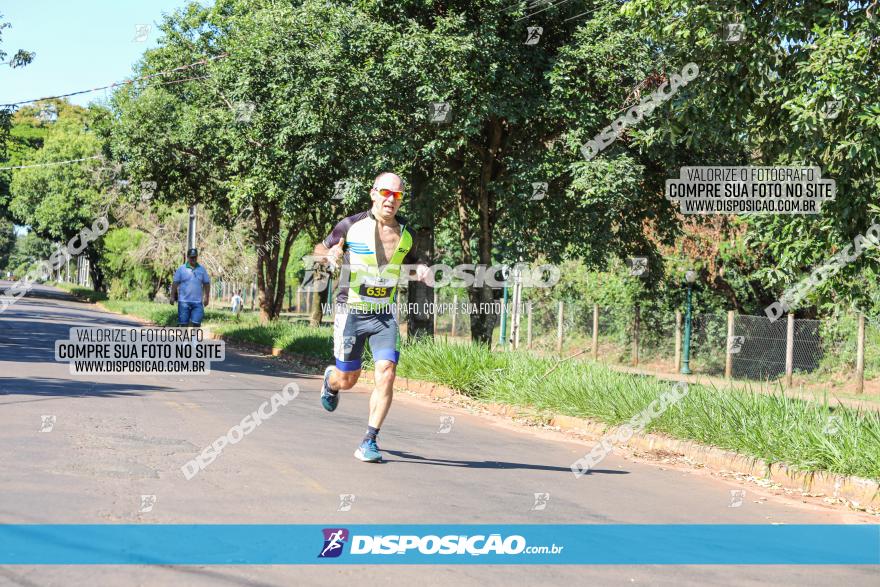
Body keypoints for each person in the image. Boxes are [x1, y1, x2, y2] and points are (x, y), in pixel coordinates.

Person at [313, 172, 431, 463]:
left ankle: (369, 440)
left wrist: (423, 270)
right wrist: (328, 257)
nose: (391, 199)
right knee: (348, 380)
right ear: (373, 193)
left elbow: (414, 263)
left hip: (384, 315)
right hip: (351, 311)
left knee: (387, 372)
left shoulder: (407, 233)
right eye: (386, 193)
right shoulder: (350, 225)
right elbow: (320, 249)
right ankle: (331, 381)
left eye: (398, 195)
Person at [170, 248, 211, 327]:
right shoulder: (181, 269)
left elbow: (206, 283)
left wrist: (207, 297)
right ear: (188, 257)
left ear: (197, 257)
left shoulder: (202, 269)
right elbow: (175, 283)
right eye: (191, 257)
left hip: (197, 302)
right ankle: (184, 339)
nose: (193, 259)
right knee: (183, 325)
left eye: (195, 257)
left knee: (196, 323)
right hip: (183, 302)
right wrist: (172, 296)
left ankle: (194, 339)